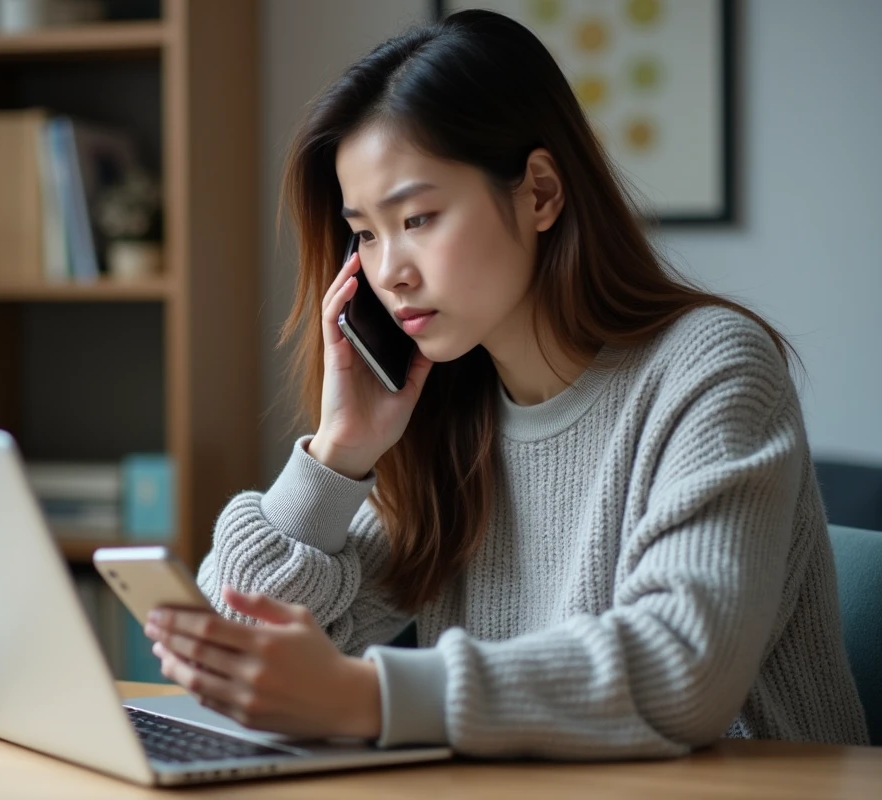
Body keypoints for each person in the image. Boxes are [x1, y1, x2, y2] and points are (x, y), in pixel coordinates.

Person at [140, 9, 869, 757]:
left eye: (418, 217)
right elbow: (234, 645)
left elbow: (683, 669)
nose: (389, 270)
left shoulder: (713, 368)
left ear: (542, 192)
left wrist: (371, 696)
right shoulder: (450, 412)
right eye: (364, 232)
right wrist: (338, 454)